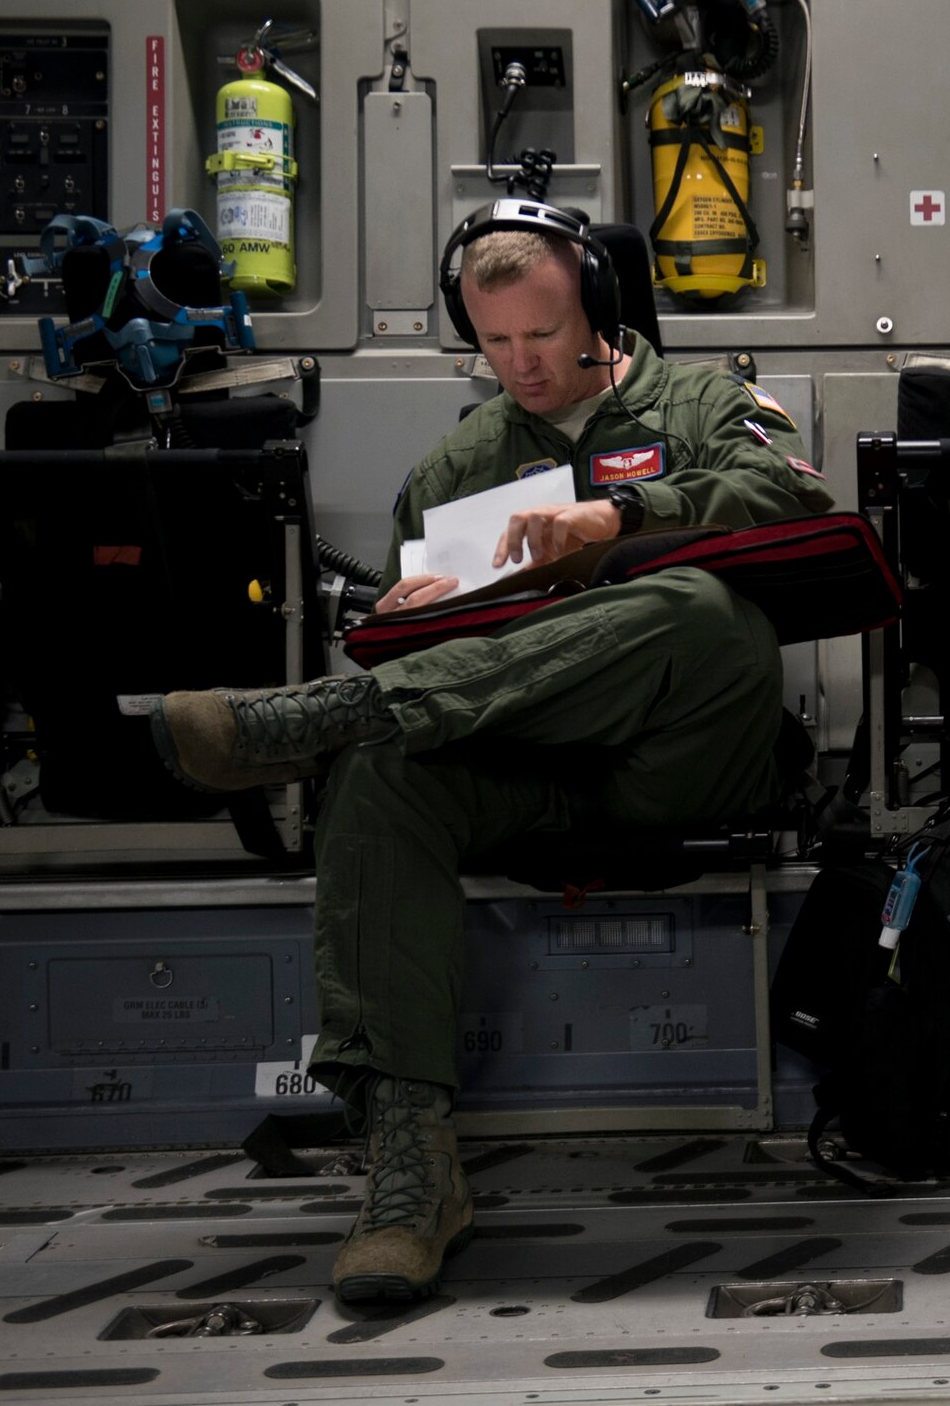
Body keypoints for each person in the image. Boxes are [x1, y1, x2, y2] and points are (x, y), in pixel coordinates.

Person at [151, 205, 832, 1302]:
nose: (518, 364)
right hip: (529, 771)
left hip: (684, 755)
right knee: (386, 772)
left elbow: (794, 495)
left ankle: (328, 715)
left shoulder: (699, 402)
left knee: (705, 610)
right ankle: (411, 1165)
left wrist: (621, 516)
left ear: (595, 310)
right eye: (493, 341)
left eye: (542, 334)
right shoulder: (458, 466)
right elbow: (407, 627)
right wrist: (401, 617)